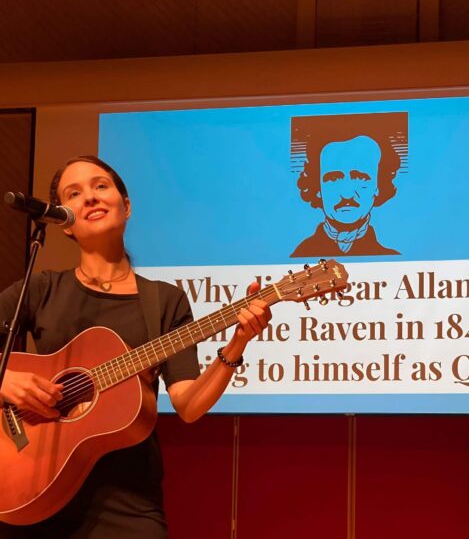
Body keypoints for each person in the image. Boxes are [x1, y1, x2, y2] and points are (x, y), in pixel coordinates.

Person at [0, 155, 272, 538]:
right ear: (63, 223)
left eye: (100, 186)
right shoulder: (42, 288)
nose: (90, 198)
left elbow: (188, 404)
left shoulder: (164, 300)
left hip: (125, 503)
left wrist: (237, 343)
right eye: (74, 194)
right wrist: (5, 382)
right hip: (31, 481)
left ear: (126, 206)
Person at [291, 128, 402, 257]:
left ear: (378, 186)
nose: (347, 194)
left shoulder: (391, 257)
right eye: (333, 178)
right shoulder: (298, 256)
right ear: (318, 188)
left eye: (360, 178)